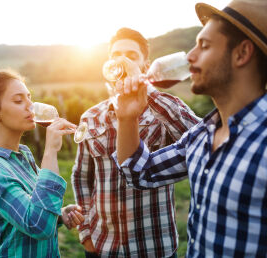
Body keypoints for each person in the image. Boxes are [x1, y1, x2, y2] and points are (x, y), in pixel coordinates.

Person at [113, 1, 267, 257]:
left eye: (204, 46)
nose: (190, 57)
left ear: (242, 53)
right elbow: (139, 173)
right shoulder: (201, 135)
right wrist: (127, 118)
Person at [72, 28, 200, 257]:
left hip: (154, 248)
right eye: (116, 55)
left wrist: (145, 88)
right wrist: (86, 232)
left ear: (145, 64)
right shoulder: (90, 117)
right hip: (103, 247)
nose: (122, 60)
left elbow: (205, 141)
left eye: (131, 56)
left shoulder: (164, 110)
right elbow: (82, 177)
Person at [0, 70, 84, 257]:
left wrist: (59, 214)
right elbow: (39, 226)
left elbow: (32, 207)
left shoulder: (23, 154)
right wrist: (51, 151)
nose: (31, 106)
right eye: (19, 101)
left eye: (29, 98)